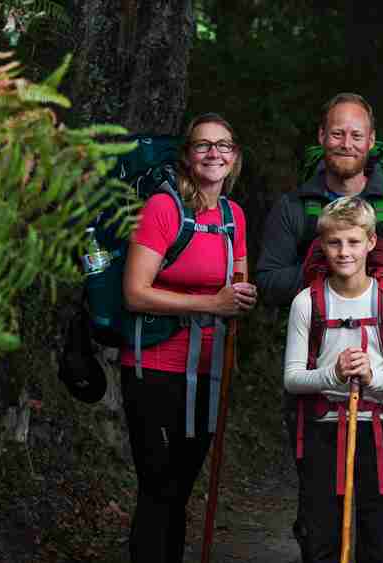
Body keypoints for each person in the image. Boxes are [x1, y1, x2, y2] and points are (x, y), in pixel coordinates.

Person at [120, 113, 257, 563]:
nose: (214, 153)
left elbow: (234, 289)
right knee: (157, 486)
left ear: (234, 157)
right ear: (187, 155)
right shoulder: (163, 208)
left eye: (223, 145)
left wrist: (240, 297)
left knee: (178, 489)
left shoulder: (234, 216)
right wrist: (209, 305)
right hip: (154, 367)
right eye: (203, 145)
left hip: (207, 372)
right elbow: (136, 293)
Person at [284, 196, 383, 563]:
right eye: (334, 242)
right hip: (322, 430)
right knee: (320, 537)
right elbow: (293, 378)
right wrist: (334, 374)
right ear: (322, 245)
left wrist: (372, 377)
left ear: (371, 242)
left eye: (354, 242)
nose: (344, 252)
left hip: (379, 428)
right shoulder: (306, 303)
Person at [255, 92, 383, 309]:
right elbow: (267, 284)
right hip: (312, 335)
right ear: (322, 136)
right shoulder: (292, 206)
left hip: (378, 337)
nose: (347, 144)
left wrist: (368, 274)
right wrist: (324, 269)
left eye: (357, 136)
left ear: (371, 140)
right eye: (337, 134)